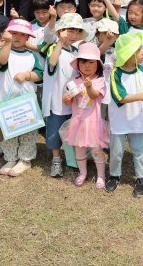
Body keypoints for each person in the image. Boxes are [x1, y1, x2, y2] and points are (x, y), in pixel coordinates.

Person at [107, 32, 143, 197]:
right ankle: (115, 175)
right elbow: (119, 97)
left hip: (139, 120)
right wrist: (140, 96)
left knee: (140, 150)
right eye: (139, 50)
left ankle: (140, 178)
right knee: (116, 151)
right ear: (127, 54)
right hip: (120, 121)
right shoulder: (116, 73)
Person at [0, 21, 44, 177]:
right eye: (14, 33)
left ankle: (25, 159)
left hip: (26, 101)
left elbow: (39, 75)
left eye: (22, 34)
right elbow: (1, 62)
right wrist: (6, 43)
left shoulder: (32, 55)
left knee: (28, 132)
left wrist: (27, 75)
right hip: (6, 101)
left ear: (28, 37)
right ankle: (10, 157)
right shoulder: (2, 51)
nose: (17, 37)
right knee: (9, 132)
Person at [43, 14, 87, 178]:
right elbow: (52, 63)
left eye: (77, 32)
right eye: (70, 31)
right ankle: (56, 160)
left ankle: (73, 159)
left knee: (73, 129)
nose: (73, 35)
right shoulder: (53, 48)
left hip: (75, 99)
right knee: (55, 129)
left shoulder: (77, 51)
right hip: (57, 98)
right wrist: (60, 42)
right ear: (61, 31)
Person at [64, 42, 110, 188]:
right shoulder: (74, 81)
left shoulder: (100, 80)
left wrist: (89, 87)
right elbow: (69, 100)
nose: (87, 66)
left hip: (94, 121)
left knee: (97, 150)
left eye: (91, 62)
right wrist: (66, 98)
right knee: (79, 149)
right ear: (77, 64)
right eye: (83, 62)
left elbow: (95, 95)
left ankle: (101, 176)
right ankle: (82, 173)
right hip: (78, 121)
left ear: (97, 64)